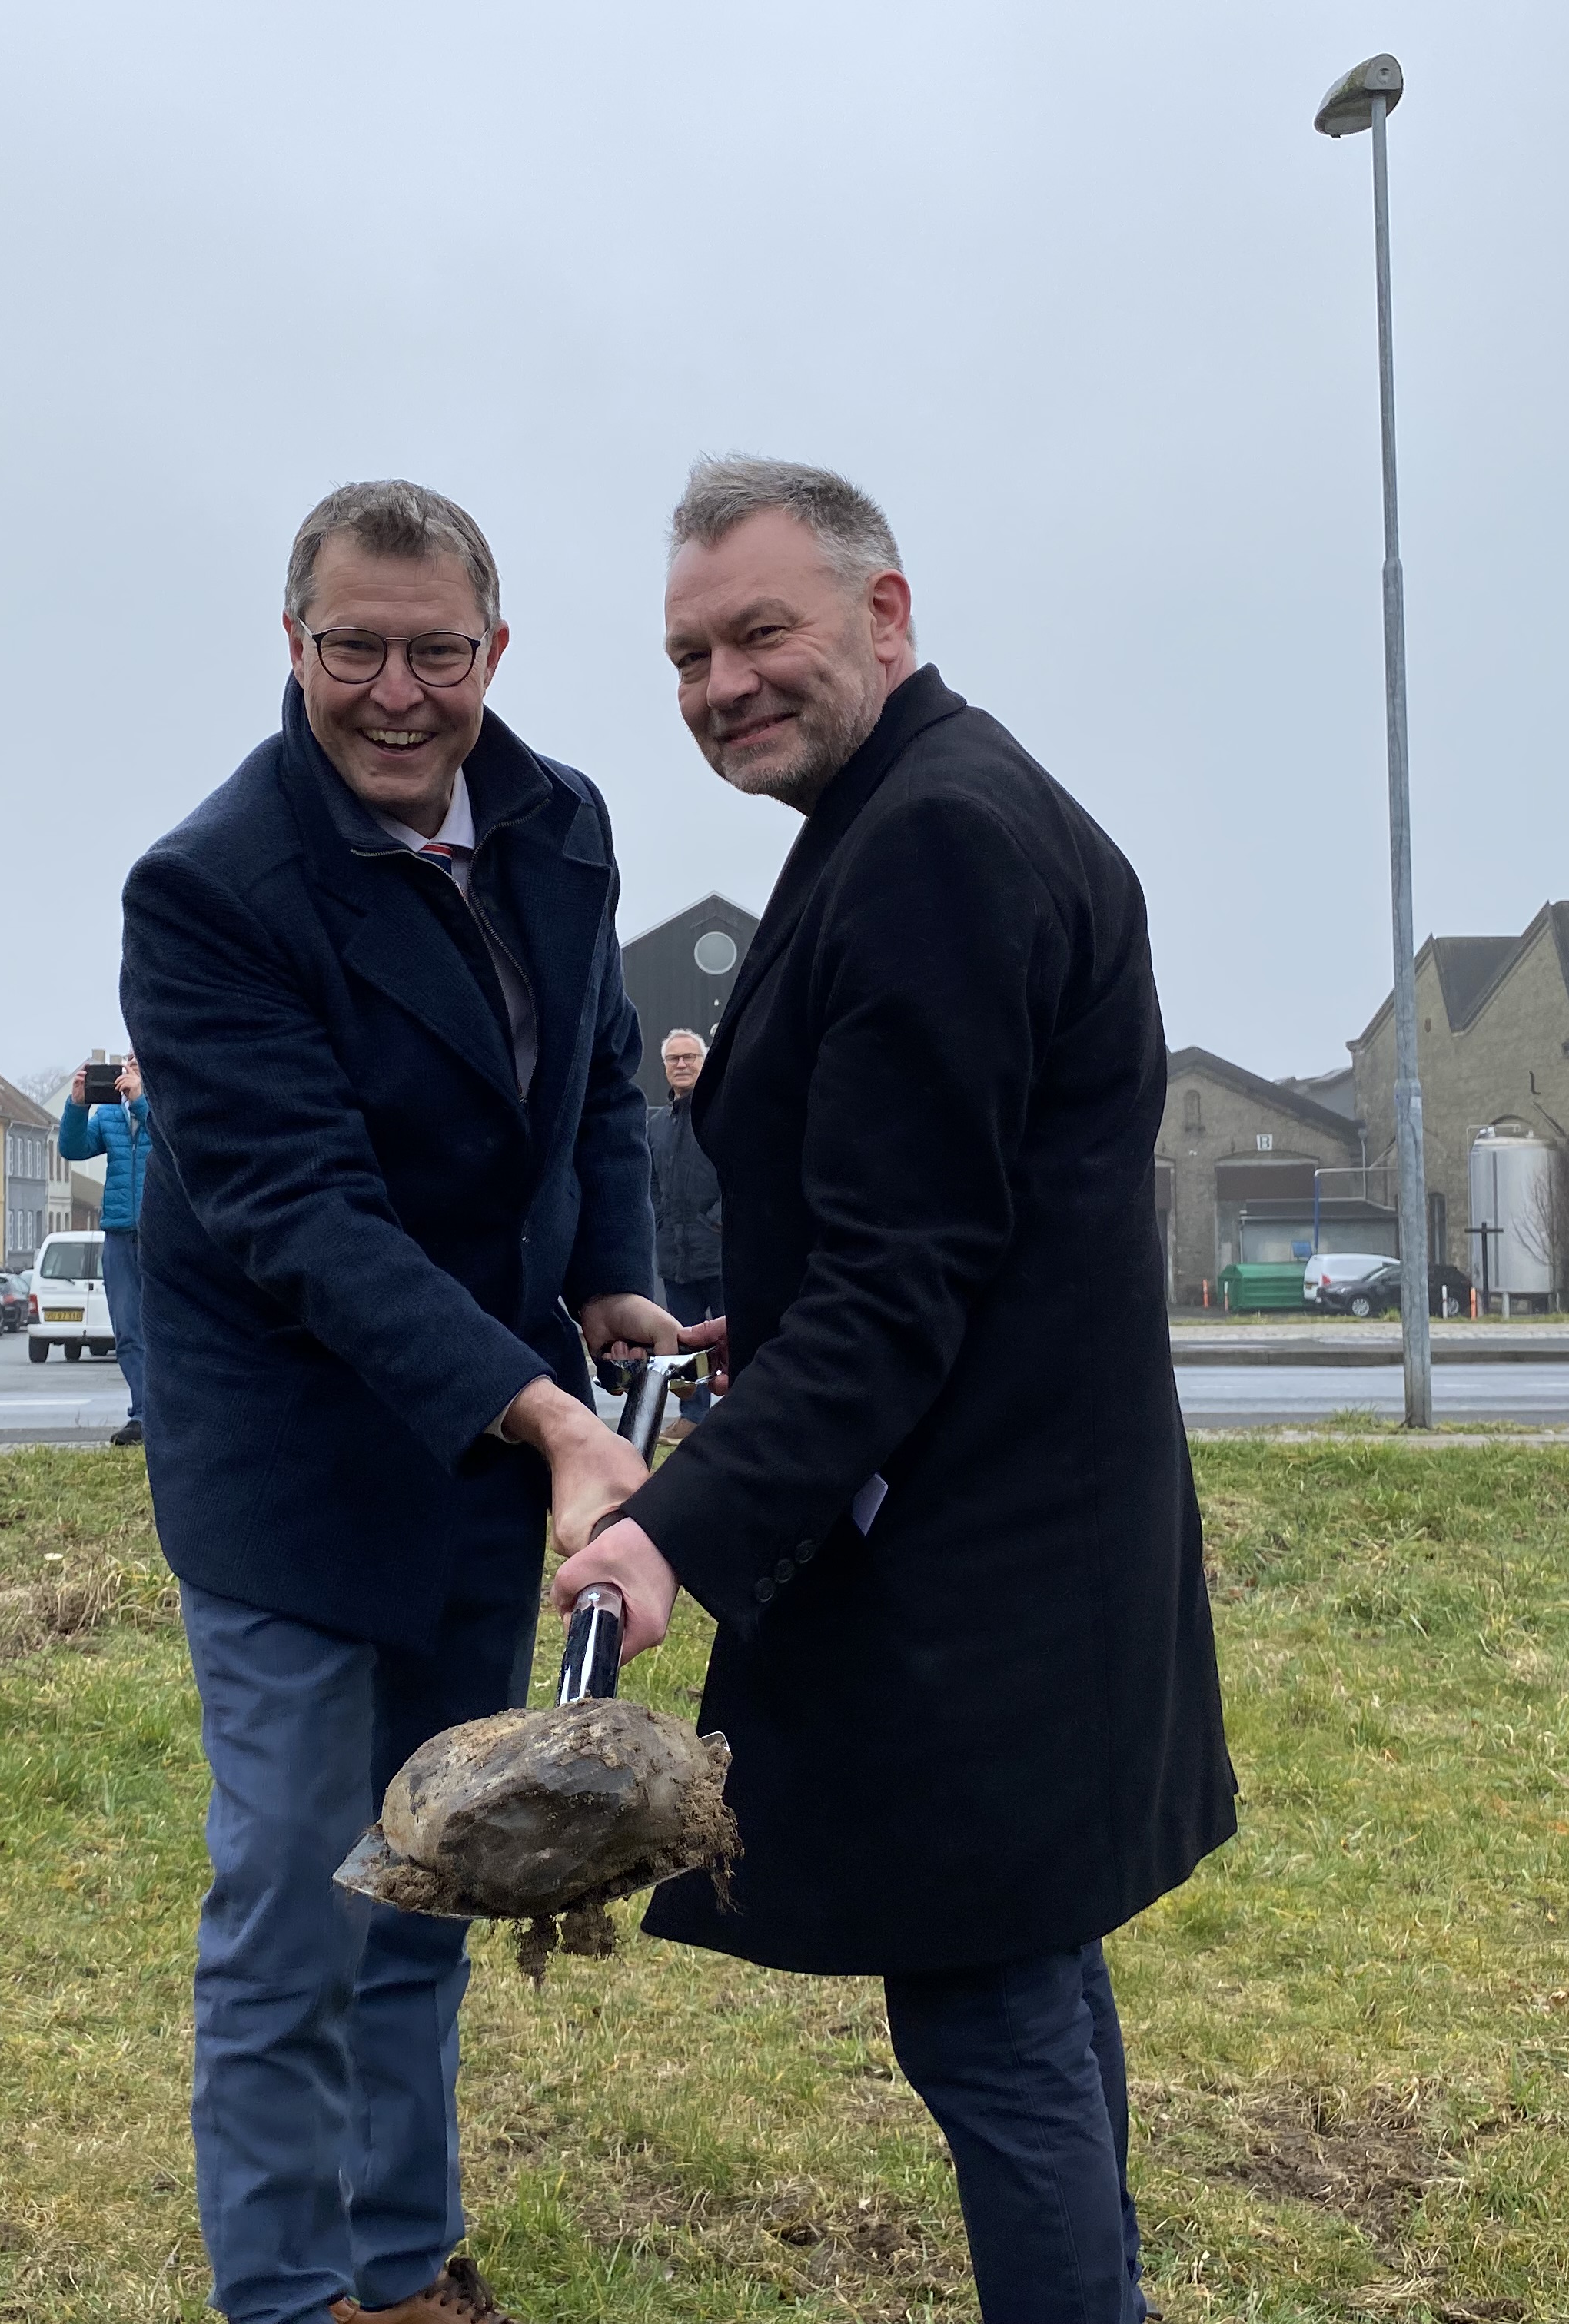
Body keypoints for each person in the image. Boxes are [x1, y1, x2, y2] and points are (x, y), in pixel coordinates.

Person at [553, 458, 1237, 2324]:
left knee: (990, 2015)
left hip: (974, 1558)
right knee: (1026, 1981)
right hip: (1027, 1522)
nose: (721, 686)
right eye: (688, 657)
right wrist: (746, 1331)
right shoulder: (922, 805)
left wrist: (666, 1536)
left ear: (885, 612)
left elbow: (900, 1280)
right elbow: (943, 1219)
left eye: (758, 633)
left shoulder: (935, 839)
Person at [121, 479, 672, 2324]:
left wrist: (609, 1277)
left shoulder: (561, 822)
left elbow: (598, 1073)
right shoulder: (211, 888)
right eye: (353, 648)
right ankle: (288, 2294)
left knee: (441, 1863)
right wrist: (550, 1415)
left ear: (494, 650)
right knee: (297, 1896)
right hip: (292, 1454)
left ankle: (399, 2258)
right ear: (293, 644)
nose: (396, 693)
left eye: (437, 652)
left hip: (485, 1445)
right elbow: (302, 1215)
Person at [58, 1054, 154, 1446]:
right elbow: (73, 1148)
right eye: (128, 1060)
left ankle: (172, 1415)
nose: (130, 1067)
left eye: (138, 1061)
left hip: (161, 1233)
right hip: (118, 1232)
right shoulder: (112, 1114)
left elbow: (174, 1141)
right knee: (128, 1330)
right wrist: (77, 1105)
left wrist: (142, 1100)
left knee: (167, 1328)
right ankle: (143, 1414)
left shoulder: (169, 1104)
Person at [645, 1029, 722, 1426]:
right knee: (685, 1344)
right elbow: (651, 1181)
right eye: (673, 1058)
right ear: (665, 1067)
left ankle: (738, 1417)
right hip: (675, 1259)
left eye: (689, 1057)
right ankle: (692, 1418)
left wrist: (719, 1220)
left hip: (720, 1254)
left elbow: (742, 1171)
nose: (681, 1064)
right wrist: (660, 1220)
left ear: (704, 1063)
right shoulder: (656, 1124)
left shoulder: (721, 1114)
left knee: (735, 1340)